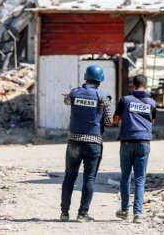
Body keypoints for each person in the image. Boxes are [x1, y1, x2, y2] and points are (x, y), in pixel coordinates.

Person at [60, 64, 112, 222]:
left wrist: (70, 95)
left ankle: (64, 213)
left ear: (86, 77)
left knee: (69, 177)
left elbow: (66, 101)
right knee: (89, 179)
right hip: (93, 142)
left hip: (74, 141)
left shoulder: (75, 93)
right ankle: (82, 214)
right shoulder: (103, 96)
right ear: (100, 80)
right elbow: (109, 121)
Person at [113, 74, 156, 223]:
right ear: (146, 85)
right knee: (140, 178)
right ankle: (137, 213)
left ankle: (124, 210)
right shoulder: (152, 103)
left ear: (133, 86)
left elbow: (115, 119)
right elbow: (153, 121)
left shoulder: (125, 100)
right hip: (144, 143)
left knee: (125, 177)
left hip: (126, 142)